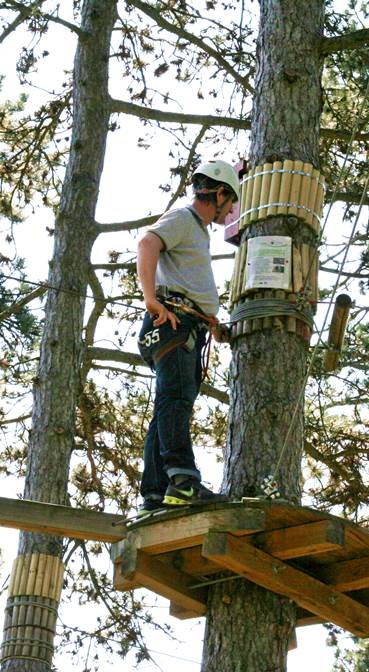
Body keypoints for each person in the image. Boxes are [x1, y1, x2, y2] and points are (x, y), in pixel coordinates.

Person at [135, 160, 240, 516]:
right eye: (231, 203)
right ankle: (183, 482)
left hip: (186, 324)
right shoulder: (183, 219)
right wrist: (150, 299)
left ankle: (155, 491)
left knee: (168, 404)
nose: (230, 212)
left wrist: (212, 323)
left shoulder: (196, 231)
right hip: (172, 324)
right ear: (221, 193)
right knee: (175, 400)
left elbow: (189, 282)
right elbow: (148, 243)